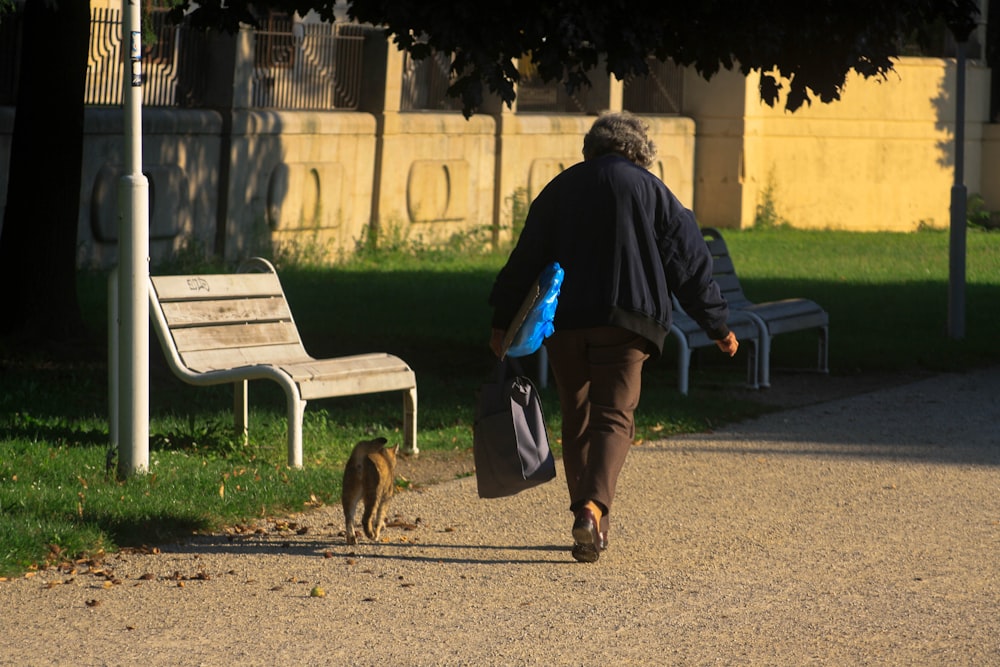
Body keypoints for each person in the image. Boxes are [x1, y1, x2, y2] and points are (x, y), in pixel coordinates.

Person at [487, 111, 739, 563]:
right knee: (615, 416)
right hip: (629, 321)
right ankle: (591, 509)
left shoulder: (560, 188)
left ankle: (590, 522)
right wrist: (716, 324)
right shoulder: (652, 190)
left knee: (578, 413)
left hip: (566, 323)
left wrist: (501, 322)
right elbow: (688, 260)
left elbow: (524, 259)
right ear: (639, 151)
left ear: (593, 148)